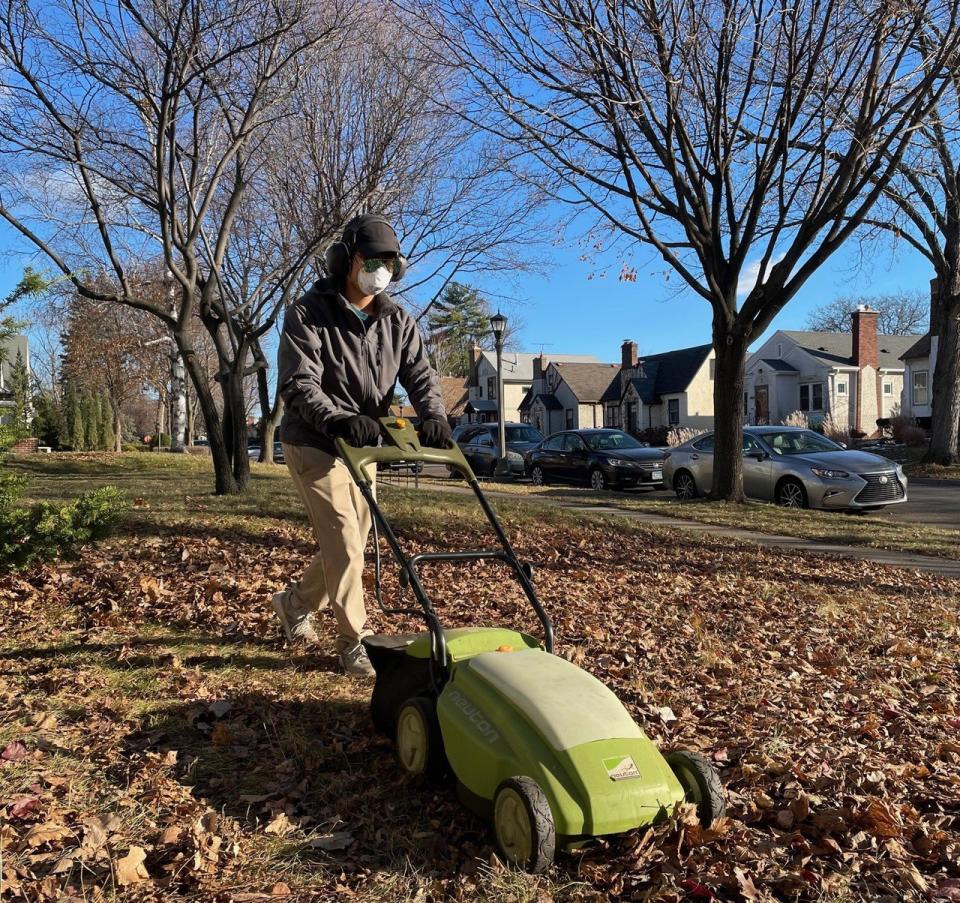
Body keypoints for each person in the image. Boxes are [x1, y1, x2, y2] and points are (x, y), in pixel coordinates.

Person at [273, 213, 451, 675]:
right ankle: (355, 641)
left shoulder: (396, 320)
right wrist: (337, 419)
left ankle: (294, 604)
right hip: (316, 440)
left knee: (351, 539)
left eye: (390, 263)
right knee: (346, 544)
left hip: (364, 443)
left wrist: (434, 416)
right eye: (373, 260)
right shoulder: (308, 313)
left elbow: (420, 374)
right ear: (347, 261)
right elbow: (298, 383)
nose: (381, 270)